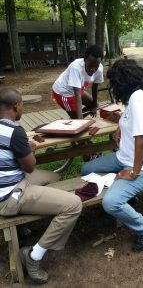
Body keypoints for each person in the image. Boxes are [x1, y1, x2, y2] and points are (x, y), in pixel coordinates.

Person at [0, 87, 82, 284]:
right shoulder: (14, 132)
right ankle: (33, 256)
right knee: (74, 205)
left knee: (53, 177)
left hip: (11, 182)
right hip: (9, 196)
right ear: (17, 106)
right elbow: (29, 167)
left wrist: (24, 149)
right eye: (22, 106)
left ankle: (27, 226)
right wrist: (30, 151)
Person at [81, 59, 143, 252]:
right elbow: (133, 120)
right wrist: (120, 124)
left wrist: (134, 172)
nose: (113, 88)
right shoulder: (136, 96)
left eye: (114, 84)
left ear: (122, 82)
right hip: (124, 158)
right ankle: (128, 197)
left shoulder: (139, 99)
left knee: (110, 202)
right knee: (86, 169)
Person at [52, 44, 104, 119]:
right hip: (64, 92)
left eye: (96, 66)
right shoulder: (76, 67)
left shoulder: (100, 68)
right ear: (85, 59)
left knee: (94, 104)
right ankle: (75, 119)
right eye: (90, 65)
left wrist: (94, 105)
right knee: (77, 119)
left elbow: (95, 88)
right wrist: (80, 120)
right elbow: (78, 96)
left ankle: (75, 118)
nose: (93, 69)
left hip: (78, 90)